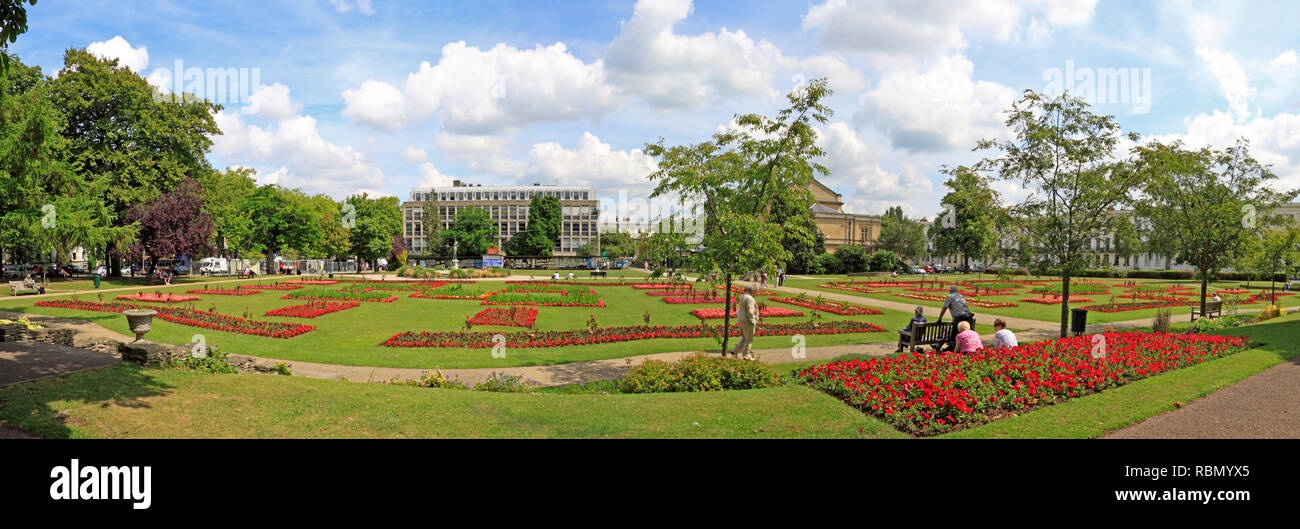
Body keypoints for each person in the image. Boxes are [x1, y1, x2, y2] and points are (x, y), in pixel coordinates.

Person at [730, 284, 760, 360]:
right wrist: (753, 321)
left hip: (741, 319)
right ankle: (746, 355)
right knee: (749, 339)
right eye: (756, 292)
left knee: (743, 337)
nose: (757, 293)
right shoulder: (750, 298)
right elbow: (750, 311)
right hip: (747, 320)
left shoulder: (742, 296)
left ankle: (735, 351)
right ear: (752, 291)